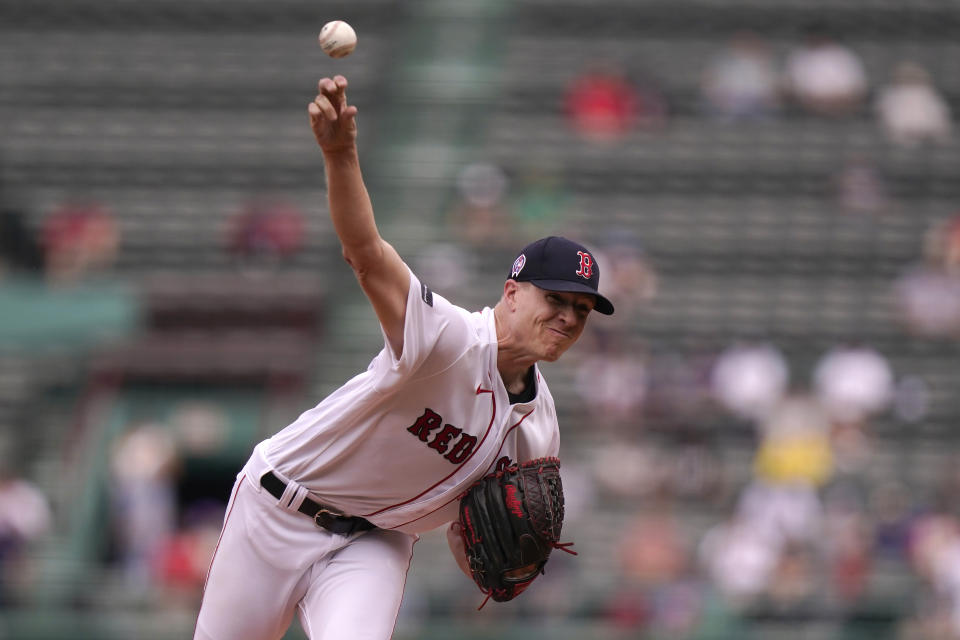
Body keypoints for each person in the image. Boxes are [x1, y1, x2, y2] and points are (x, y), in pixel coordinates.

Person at [193, 75, 615, 640]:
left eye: (583, 310)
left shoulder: (539, 428)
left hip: (374, 542)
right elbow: (366, 254)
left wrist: (494, 559)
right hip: (277, 507)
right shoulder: (446, 339)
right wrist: (340, 154)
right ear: (512, 293)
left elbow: (472, 540)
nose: (568, 317)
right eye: (555, 299)